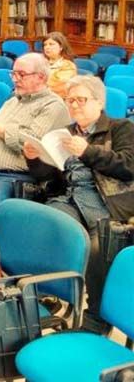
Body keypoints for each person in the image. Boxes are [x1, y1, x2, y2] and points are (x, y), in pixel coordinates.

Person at [23, 76, 134, 335]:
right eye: (69, 100)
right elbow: (49, 177)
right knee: (42, 224)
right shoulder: (66, 133)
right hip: (72, 200)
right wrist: (35, 160)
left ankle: (96, 318)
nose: (74, 106)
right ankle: (47, 293)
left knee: (99, 249)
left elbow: (129, 166)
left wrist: (87, 152)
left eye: (81, 100)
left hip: (110, 207)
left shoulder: (121, 128)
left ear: (99, 102)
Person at [0, 53, 71, 217]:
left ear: (41, 77)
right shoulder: (13, 100)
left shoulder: (53, 105)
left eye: (21, 74)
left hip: (12, 177)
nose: (15, 79)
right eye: (13, 74)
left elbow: (30, 142)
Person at [42, 31, 77, 98]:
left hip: (57, 99)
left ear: (61, 47)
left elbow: (58, 86)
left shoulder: (68, 66)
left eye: (51, 44)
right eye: (45, 45)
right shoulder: (40, 62)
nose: (47, 47)